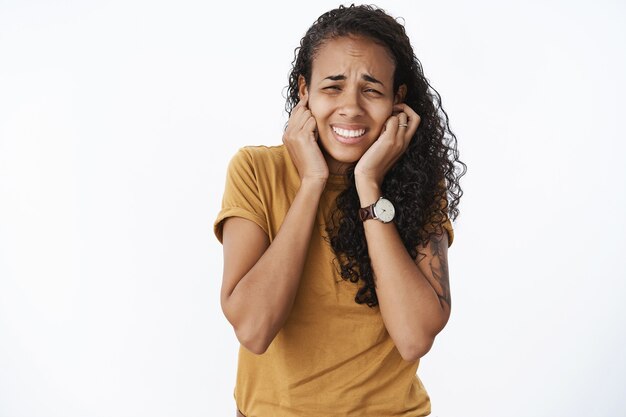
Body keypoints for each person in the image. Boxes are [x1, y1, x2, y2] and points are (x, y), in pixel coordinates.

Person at [213, 4, 466, 416]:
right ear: (303, 92)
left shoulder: (418, 182)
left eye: (371, 89)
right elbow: (254, 329)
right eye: (332, 86)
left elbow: (414, 336)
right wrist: (312, 182)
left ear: (397, 100)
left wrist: (368, 186)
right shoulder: (256, 170)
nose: (351, 107)